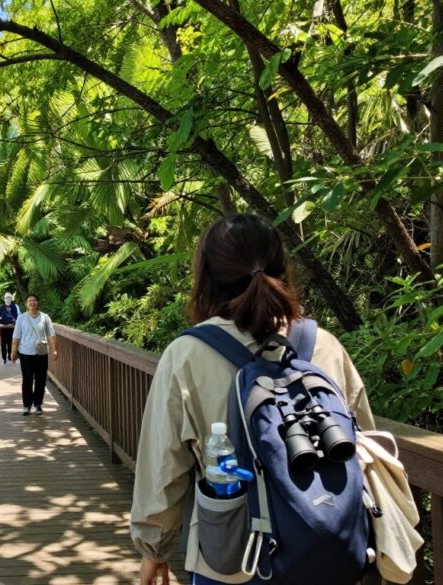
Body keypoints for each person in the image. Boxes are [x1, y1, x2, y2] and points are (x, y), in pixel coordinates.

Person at [130, 214, 375, 585]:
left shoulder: (187, 355)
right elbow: (364, 447)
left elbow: (163, 466)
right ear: (281, 268)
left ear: (208, 277)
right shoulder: (323, 345)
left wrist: (154, 549)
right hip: (331, 551)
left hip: (233, 560)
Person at [11, 294, 58, 416]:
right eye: (30, 301)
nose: (32, 302)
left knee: (40, 380)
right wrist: (13, 352)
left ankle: (38, 404)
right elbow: (16, 336)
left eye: (34, 300)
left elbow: (51, 335)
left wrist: (54, 350)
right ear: (26, 304)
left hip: (41, 353)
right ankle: (26, 405)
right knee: (27, 380)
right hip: (25, 353)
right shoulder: (21, 318)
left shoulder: (44, 317)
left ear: (38, 302)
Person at [0, 292, 20, 365]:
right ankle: (4, 358)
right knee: (3, 344)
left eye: (9, 297)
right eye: (6, 297)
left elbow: (18, 316)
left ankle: (10, 357)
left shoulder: (15, 306)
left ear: (11, 299)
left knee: (11, 343)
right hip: (3, 328)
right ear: (4, 299)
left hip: (12, 328)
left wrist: (15, 324)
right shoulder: (1, 307)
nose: (8, 299)